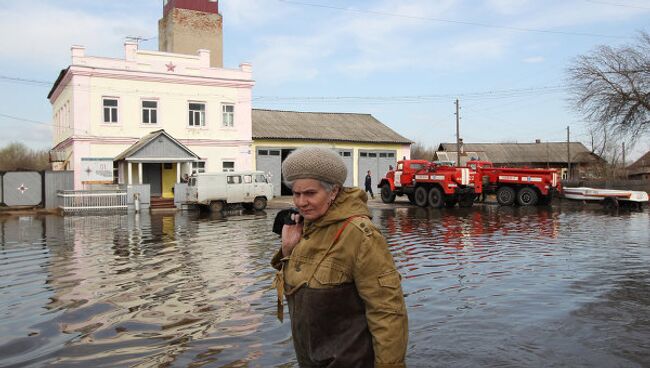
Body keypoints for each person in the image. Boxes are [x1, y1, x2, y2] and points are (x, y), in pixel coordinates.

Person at [271, 146, 408, 368]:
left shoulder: (360, 235)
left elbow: (388, 313)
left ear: (333, 191)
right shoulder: (303, 230)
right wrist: (287, 249)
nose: (301, 202)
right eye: (296, 193)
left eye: (310, 193)